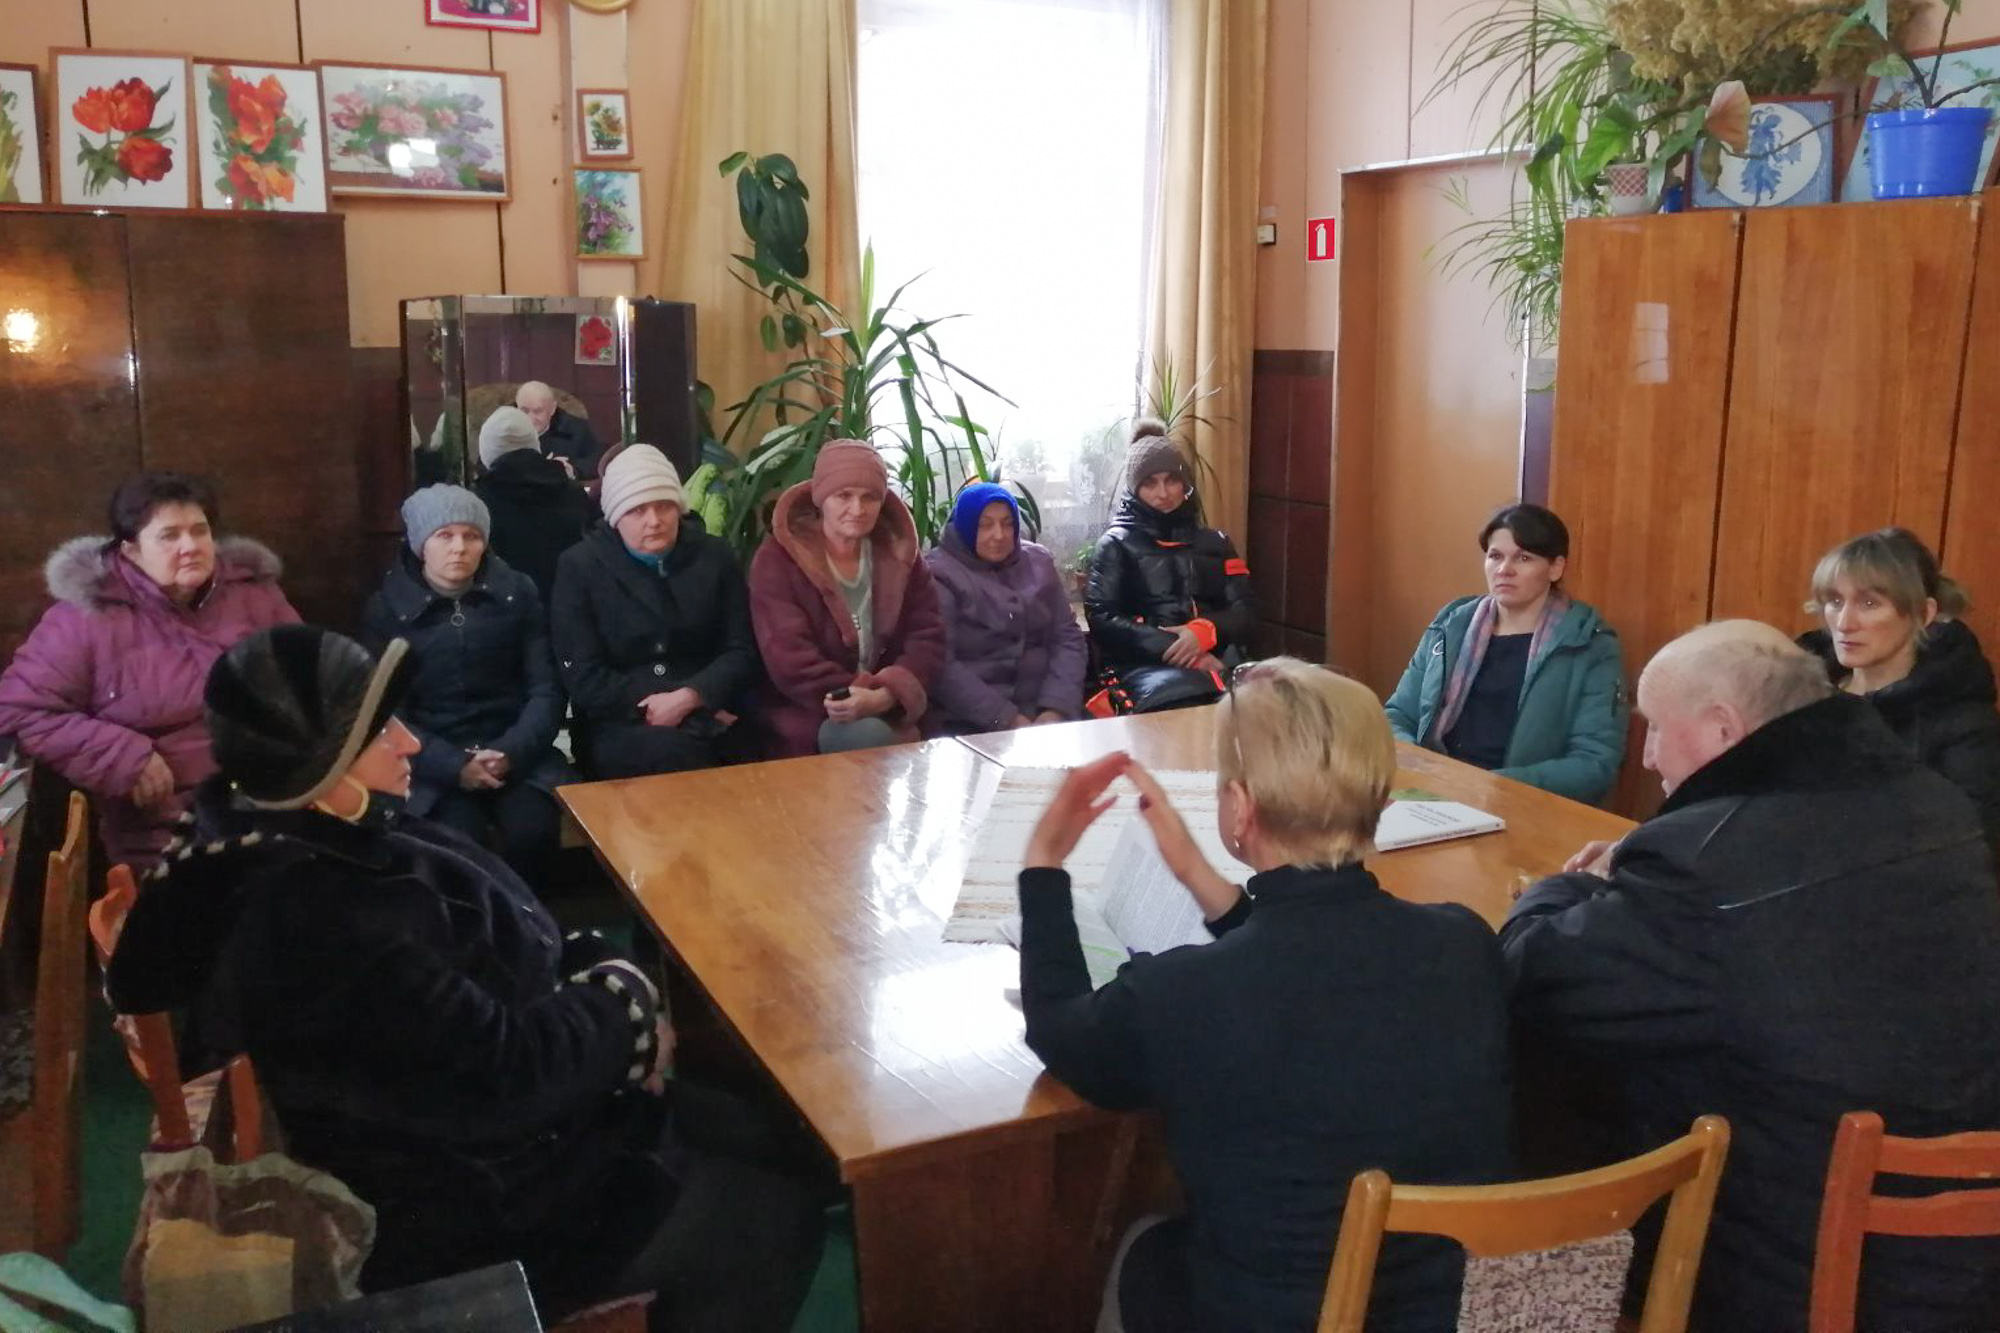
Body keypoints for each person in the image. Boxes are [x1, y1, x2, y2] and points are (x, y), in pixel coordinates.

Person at [104, 625, 824, 1331]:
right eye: (381, 732)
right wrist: (625, 1007)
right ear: (319, 766)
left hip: (537, 1119)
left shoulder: (335, 835)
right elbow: (504, 1079)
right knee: (769, 1217)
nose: (411, 743)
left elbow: (505, 945)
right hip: (483, 1206)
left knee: (773, 1136)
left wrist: (597, 978)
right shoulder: (317, 917)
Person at [1503, 621, 2000, 1332]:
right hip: (1962, 1245)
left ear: (1723, 730)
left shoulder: (1704, 862)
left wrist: (1568, 886)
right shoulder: (1934, 803)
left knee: (1556, 1074)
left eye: (1655, 727)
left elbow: (1536, 975)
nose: (1646, 755)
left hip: (1801, 1257)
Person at [1018, 659, 1514, 1332]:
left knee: (1142, 1244)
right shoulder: (1465, 943)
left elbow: (1060, 1028)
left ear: (1240, 807)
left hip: (1276, 1315)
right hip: (1452, 1311)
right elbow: (1318, 965)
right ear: (1379, 801)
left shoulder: (1186, 992)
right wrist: (1201, 879)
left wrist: (1043, 864)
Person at [0, 472, 297, 868]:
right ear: (131, 551)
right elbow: (19, 709)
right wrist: (122, 756)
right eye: (169, 536)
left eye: (200, 531)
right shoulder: (86, 618)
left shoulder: (254, 594)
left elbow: (314, 678)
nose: (190, 546)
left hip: (278, 802)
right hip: (170, 828)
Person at [361, 485, 569, 890]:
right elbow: (386, 713)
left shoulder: (518, 593)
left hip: (515, 751)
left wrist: (510, 752)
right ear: (421, 544)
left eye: (471, 536)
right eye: (444, 535)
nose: (459, 548)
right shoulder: (386, 609)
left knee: (533, 831)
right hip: (430, 761)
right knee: (457, 843)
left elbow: (545, 690)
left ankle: (531, 922)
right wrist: (452, 765)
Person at [1383, 502, 1626, 805]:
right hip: (1432, 791)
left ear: (1555, 568)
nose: (1504, 570)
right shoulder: (1451, 625)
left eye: (1524, 558)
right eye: (1495, 556)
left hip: (1519, 805)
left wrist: (1490, 786)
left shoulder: (1589, 643)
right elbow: (1397, 716)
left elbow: (1594, 764)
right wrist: (1425, 769)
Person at [551, 445, 759, 778]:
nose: (654, 521)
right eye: (637, 510)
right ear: (616, 517)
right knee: (672, 754)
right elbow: (583, 672)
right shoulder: (580, 567)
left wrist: (692, 697)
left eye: (664, 506)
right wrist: (658, 706)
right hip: (619, 719)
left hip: (710, 706)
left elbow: (741, 649)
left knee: (755, 749)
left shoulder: (714, 556)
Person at [1798, 526, 2000, 850]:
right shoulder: (1796, 695)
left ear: (1923, 613)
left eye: (1869, 603)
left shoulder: (1965, 725)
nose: (1844, 623)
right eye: (1835, 601)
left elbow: (1971, 845)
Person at [748, 439, 945, 756]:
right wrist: (860, 697)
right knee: (867, 736)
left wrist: (887, 696)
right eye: (844, 495)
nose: (857, 509)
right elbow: (790, 659)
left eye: (870, 497)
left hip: (891, 705)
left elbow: (928, 636)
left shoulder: (901, 553)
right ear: (821, 498)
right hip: (812, 708)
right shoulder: (777, 560)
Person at [1085, 418, 1255, 685]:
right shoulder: (1115, 545)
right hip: (1146, 669)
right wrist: (1182, 650)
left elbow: (1246, 611)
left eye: (1171, 480)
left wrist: (1206, 632)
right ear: (1134, 488)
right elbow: (1103, 619)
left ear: (1184, 484)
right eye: (1150, 483)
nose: (1163, 493)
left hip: (1223, 660)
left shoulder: (1217, 542)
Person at [922, 482, 1088, 736]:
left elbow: (1067, 637)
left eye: (1007, 523)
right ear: (966, 526)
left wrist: (1056, 708)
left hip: (1046, 711)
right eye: (985, 525)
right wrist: (1007, 719)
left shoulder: (1039, 561)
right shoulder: (938, 574)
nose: (998, 535)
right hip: (969, 720)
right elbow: (941, 665)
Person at [474, 405, 594, 603]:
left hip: (505, 606)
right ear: (533, 442)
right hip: (569, 601)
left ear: (486, 449)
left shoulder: (479, 503)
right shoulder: (573, 492)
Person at [518, 380, 605, 481]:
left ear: (552, 409)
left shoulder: (575, 429)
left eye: (537, 411)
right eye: (524, 411)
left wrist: (570, 469)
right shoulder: (505, 425)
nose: (530, 418)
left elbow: (598, 460)